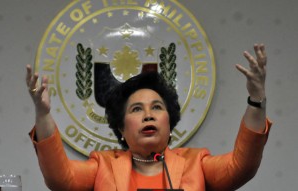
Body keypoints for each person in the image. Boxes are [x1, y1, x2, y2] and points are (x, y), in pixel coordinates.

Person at [26, 44, 272, 191]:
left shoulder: (196, 163)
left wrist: (256, 98)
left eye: (156, 107)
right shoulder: (103, 165)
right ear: (121, 128)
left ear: (169, 121)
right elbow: (60, 178)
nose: (147, 115)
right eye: (136, 109)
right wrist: (43, 113)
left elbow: (242, 167)